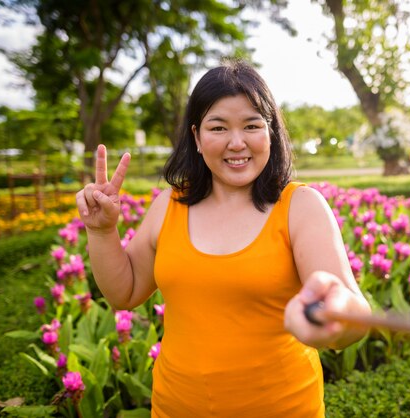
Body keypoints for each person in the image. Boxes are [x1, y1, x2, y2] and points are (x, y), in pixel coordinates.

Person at [75, 59, 371, 417]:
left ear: (270, 133)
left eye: (251, 125)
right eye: (218, 128)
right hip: (174, 408)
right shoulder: (170, 204)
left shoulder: (301, 207)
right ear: (197, 138)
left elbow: (351, 312)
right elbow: (125, 292)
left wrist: (336, 320)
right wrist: (102, 230)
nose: (236, 142)